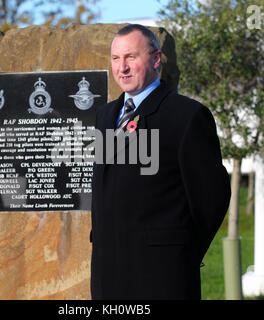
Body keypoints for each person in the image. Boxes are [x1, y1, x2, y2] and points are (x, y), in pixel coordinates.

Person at [90, 24, 231, 300]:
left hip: (162, 275)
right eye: (116, 59)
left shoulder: (187, 116)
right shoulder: (105, 116)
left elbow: (211, 199)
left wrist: (179, 249)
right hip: (109, 274)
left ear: (155, 59)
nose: (123, 68)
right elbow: (107, 191)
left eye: (131, 57)